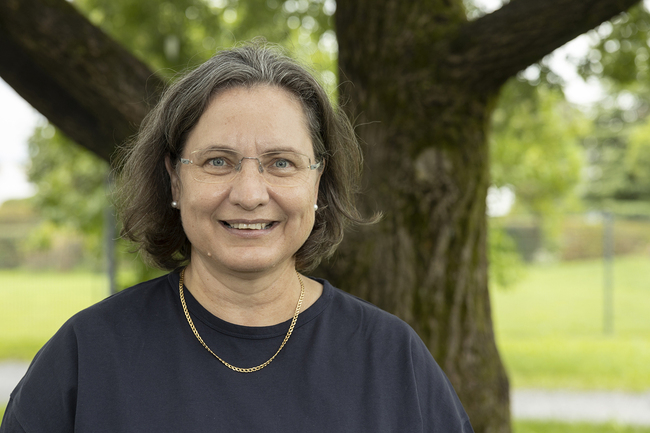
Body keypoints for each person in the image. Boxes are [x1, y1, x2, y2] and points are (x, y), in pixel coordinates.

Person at [1, 42, 474, 432]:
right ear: (175, 180)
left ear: (318, 181)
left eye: (281, 163)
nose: (249, 194)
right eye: (218, 161)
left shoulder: (392, 359)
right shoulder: (88, 356)